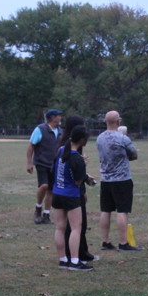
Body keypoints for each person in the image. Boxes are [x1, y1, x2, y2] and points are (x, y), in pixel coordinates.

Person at [56, 115, 98, 263]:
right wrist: (84, 174)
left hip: (58, 192)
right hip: (71, 194)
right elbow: (77, 181)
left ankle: (63, 259)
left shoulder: (61, 149)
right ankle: (75, 260)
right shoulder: (76, 157)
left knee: (60, 228)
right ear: (82, 140)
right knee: (76, 228)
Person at [97, 110, 139, 251]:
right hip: (122, 179)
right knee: (122, 211)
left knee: (105, 210)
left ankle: (105, 241)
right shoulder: (122, 138)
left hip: (105, 179)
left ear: (105, 121)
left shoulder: (99, 138)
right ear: (118, 121)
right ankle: (123, 242)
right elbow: (134, 154)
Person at [26, 109, 63, 225]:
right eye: (58, 116)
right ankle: (38, 210)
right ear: (52, 117)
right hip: (42, 162)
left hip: (55, 164)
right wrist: (29, 162)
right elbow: (31, 146)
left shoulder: (60, 131)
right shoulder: (40, 129)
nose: (60, 118)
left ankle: (46, 215)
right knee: (44, 185)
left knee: (51, 190)